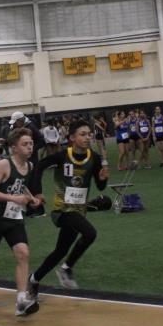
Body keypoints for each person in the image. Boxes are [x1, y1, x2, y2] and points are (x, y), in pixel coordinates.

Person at [28, 119, 109, 294]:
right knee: (90, 234)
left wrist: (103, 179)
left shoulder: (94, 158)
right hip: (62, 211)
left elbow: (100, 187)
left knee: (60, 251)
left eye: (89, 134)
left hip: (79, 212)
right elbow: (38, 167)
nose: (87, 137)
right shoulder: (62, 156)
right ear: (72, 137)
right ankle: (66, 269)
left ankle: (33, 279)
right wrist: (38, 192)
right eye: (83, 134)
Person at [0, 127, 42, 316]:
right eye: (25, 144)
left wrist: (31, 198)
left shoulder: (29, 166)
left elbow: (21, 186)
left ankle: (21, 300)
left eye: (31, 143)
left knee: (23, 253)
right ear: (14, 148)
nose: (30, 147)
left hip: (14, 218)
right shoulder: (4, 164)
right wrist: (14, 198)